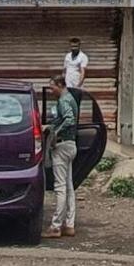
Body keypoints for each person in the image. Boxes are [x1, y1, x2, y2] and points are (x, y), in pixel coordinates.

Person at [45, 73, 80, 239]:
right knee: (68, 186)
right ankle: (70, 224)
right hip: (71, 145)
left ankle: (56, 226)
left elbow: (69, 120)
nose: (51, 91)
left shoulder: (64, 100)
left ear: (60, 85)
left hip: (62, 146)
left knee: (60, 187)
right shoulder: (71, 98)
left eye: (52, 88)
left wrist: (55, 134)